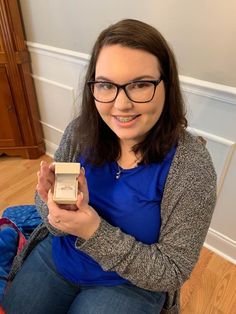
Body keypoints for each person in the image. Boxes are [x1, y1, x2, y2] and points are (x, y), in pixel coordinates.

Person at [2, 19, 217, 314]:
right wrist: (54, 211)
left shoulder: (191, 168)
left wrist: (93, 229)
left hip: (129, 284)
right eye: (106, 85)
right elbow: (48, 213)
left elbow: (172, 271)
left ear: (167, 84)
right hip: (59, 257)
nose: (121, 104)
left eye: (140, 84)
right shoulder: (80, 131)